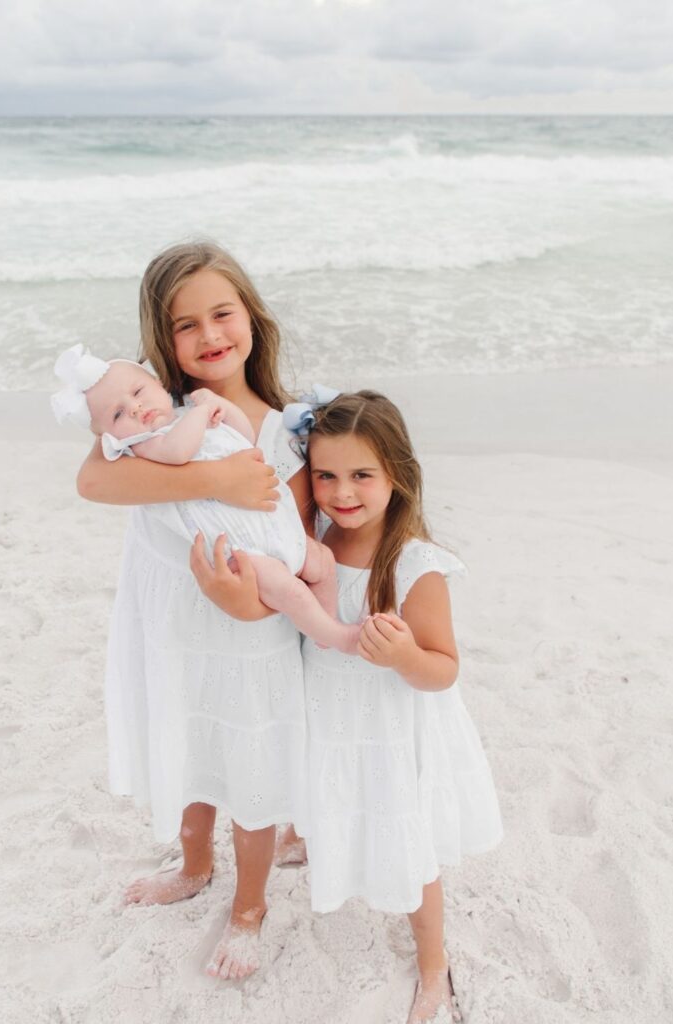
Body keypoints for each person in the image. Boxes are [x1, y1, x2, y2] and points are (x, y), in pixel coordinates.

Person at [74, 241, 311, 980]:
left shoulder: (285, 427)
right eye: (186, 325)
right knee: (189, 740)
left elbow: (292, 544)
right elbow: (93, 482)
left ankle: (249, 905)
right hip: (177, 625)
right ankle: (193, 864)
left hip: (250, 629)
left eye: (222, 313)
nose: (209, 336)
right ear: (160, 339)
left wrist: (243, 602)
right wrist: (214, 478)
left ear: (251, 317)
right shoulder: (148, 415)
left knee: (246, 759)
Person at [289, 390, 503, 1024]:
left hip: (390, 723)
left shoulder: (414, 565)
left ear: (397, 476)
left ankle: (432, 965)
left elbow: (444, 669)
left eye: (361, 475)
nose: (341, 491)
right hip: (330, 712)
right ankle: (310, 835)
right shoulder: (317, 538)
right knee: (330, 791)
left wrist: (406, 655)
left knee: (411, 847)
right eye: (325, 475)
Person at [52, 348, 359, 652]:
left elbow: (243, 437)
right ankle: (335, 635)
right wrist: (201, 414)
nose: (134, 407)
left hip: (275, 527)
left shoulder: (188, 414)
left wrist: (221, 407)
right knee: (290, 591)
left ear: (159, 385)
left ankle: (323, 629)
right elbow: (177, 452)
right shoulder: (144, 445)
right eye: (118, 414)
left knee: (323, 561)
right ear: (110, 439)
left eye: (137, 391)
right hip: (244, 549)